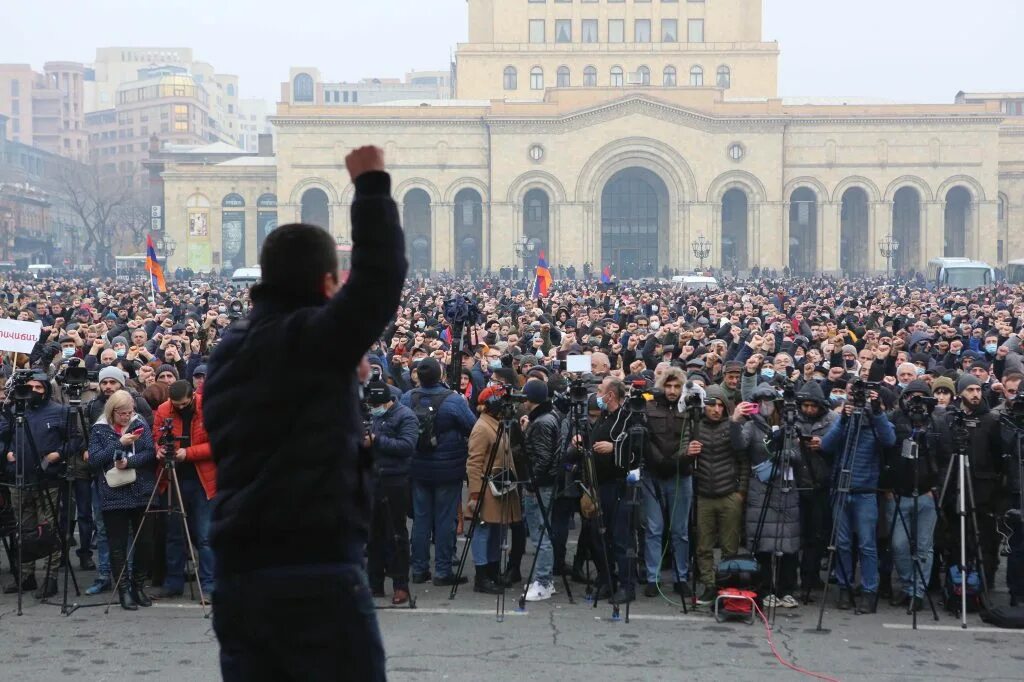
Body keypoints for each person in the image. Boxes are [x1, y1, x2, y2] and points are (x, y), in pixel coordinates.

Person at [203, 147, 406, 682]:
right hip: (312, 570)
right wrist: (371, 186)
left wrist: (338, 368)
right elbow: (380, 280)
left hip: (240, 576)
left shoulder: (228, 351)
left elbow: (281, 400)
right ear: (327, 284)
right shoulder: (309, 340)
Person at [1, 372, 81, 598]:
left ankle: (51, 577)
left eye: (39, 387)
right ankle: (26, 576)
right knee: (23, 530)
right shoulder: (16, 411)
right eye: (30, 386)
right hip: (19, 479)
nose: (34, 391)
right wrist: (7, 453)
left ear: (46, 389)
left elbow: (75, 439)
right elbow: (4, 437)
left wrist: (58, 454)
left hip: (49, 480)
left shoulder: (60, 411)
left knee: (48, 529)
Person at [821, 381, 896, 611]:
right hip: (841, 490)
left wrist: (877, 412)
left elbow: (889, 440)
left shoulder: (876, 421)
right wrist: (843, 418)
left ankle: (869, 591)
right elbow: (826, 445)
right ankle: (844, 588)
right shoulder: (844, 420)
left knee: (866, 544)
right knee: (842, 543)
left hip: (865, 492)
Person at [401, 357, 477, 586]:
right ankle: (443, 571)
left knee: (421, 520)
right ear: (441, 375)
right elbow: (472, 427)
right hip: (447, 468)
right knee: (445, 520)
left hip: (418, 466)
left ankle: (419, 569)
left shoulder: (408, 398)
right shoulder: (453, 400)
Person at [732, 384, 803, 609]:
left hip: (786, 488)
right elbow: (738, 446)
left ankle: (786, 589)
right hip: (760, 489)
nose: (765, 405)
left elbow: (797, 455)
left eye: (770, 401)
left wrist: (779, 450)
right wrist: (735, 421)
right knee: (763, 543)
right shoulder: (751, 427)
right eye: (760, 401)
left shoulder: (788, 425)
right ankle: (765, 589)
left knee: (788, 541)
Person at [88, 389, 157, 610]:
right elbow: (94, 459)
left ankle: (138, 586)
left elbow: (149, 453)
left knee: (144, 541)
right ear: (112, 412)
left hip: (141, 489)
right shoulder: (99, 429)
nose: (126, 417)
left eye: (129, 412)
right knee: (116, 544)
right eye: (121, 413)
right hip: (113, 491)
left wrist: (130, 462)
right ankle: (124, 590)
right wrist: (120, 444)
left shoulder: (140, 424)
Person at [152, 380, 216, 602]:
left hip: (201, 480)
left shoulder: (208, 407)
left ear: (192, 397)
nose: (180, 408)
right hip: (172, 479)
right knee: (174, 535)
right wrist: (160, 450)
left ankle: (209, 585)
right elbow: (156, 438)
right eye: (175, 404)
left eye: (184, 404)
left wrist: (187, 453)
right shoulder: (163, 410)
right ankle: (173, 583)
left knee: (205, 535)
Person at [881, 380, 940, 612]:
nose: (915, 401)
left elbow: (944, 457)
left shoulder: (936, 422)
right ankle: (907, 586)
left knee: (924, 546)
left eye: (920, 396)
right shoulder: (894, 420)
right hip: (897, 494)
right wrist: (886, 488)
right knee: (899, 545)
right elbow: (884, 454)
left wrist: (937, 488)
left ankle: (918, 591)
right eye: (911, 396)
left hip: (926, 494)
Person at [641, 367, 694, 599]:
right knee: (654, 529)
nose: (672, 391)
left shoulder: (691, 407)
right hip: (653, 472)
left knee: (680, 530)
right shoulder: (649, 404)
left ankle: (681, 576)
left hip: (681, 473)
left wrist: (675, 461)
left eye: (677, 386)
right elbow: (645, 436)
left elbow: (691, 436)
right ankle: (653, 577)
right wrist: (660, 461)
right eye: (669, 386)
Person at [364, 379, 418, 606]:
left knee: (395, 535)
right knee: (373, 535)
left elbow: (407, 447)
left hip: (396, 481)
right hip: (373, 480)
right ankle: (374, 584)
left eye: (375, 405)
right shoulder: (373, 415)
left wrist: (377, 440)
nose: (372, 409)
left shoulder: (405, 416)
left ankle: (400, 585)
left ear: (386, 402)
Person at [467, 385, 523, 595]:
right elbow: (474, 463)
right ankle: (481, 576)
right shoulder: (482, 427)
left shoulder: (497, 424)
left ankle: (492, 571)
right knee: (483, 531)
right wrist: (475, 494)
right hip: (487, 488)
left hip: (500, 487)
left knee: (497, 531)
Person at [690, 384, 743, 604]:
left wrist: (741, 492)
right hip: (704, 495)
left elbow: (743, 459)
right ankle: (710, 585)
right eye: (712, 404)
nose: (716, 409)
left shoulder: (731, 426)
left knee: (730, 546)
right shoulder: (694, 427)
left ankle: (727, 583)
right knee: (703, 546)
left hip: (729, 494)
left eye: (721, 405)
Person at [519, 378, 561, 601]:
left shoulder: (543, 422)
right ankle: (545, 580)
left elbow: (542, 457)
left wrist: (531, 482)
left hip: (540, 485)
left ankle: (543, 582)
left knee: (540, 534)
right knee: (542, 532)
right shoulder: (548, 416)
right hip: (543, 483)